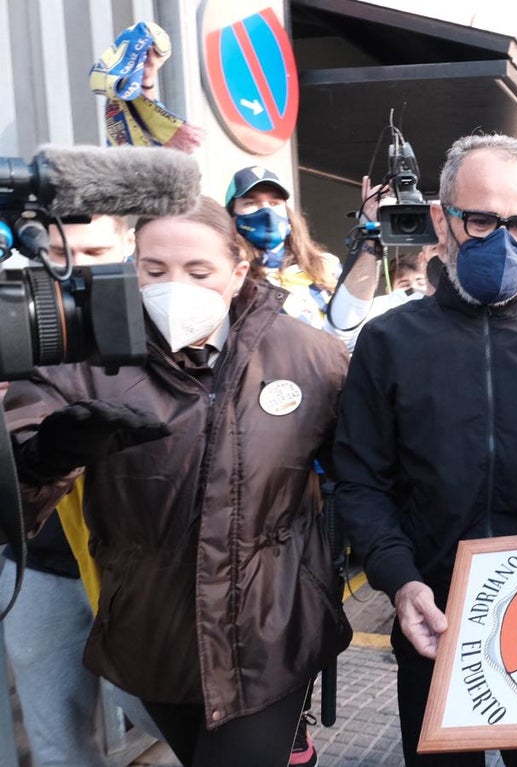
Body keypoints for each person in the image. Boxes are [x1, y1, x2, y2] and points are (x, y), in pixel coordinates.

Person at [5, 197, 352, 767]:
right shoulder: (82, 358)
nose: (174, 287)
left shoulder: (310, 356)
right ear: (132, 265)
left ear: (238, 271)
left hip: (272, 627)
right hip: (153, 633)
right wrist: (44, 458)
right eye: (155, 269)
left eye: (198, 271)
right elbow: (12, 498)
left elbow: (362, 474)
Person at [333, 133, 517, 767]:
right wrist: (400, 580)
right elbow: (361, 481)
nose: (502, 240)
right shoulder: (389, 342)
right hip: (432, 615)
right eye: (482, 220)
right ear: (442, 220)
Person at [0, 214, 161, 767]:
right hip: (40, 565)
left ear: (127, 244)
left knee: (154, 711)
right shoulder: (16, 316)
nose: (72, 268)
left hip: (137, 566)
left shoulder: (166, 322)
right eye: (56, 252)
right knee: (58, 742)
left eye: (92, 252)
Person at [224, 166, 382, 350]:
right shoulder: (230, 278)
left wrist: (371, 232)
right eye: (251, 203)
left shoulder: (325, 265)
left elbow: (348, 329)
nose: (266, 210)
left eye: (274, 203)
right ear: (232, 219)